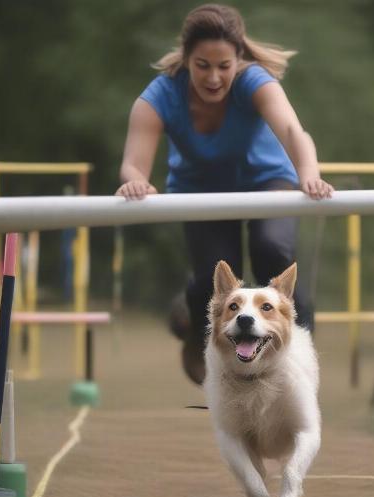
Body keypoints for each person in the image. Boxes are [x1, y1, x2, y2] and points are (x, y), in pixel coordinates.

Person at [116, 3, 334, 385]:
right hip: (200, 190)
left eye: (224, 66)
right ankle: (194, 326)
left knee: (274, 252)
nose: (214, 77)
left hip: (268, 181)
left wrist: (309, 174)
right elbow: (133, 165)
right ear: (186, 59)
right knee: (218, 274)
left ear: (238, 60)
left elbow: (294, 133)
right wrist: (136, 181)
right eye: (202, 65)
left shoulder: (256, 81)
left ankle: (298, 347)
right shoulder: (159, 96)